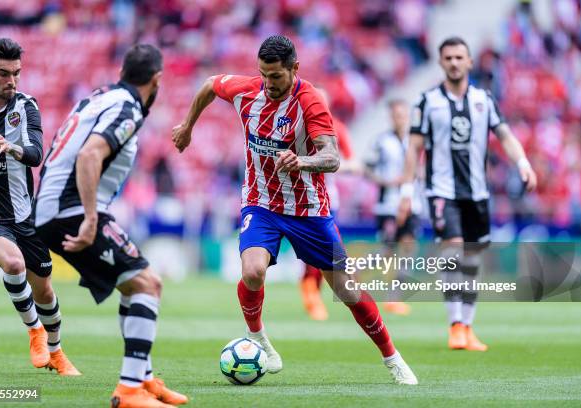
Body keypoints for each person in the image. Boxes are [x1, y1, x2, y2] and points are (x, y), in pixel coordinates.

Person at [172, 35, 418, 385]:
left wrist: (301, 161)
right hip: (260, 203)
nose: (268, 84)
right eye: (263, 75)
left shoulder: (311, 102)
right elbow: (210, 85)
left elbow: (332, 157)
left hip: (308, 210)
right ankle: (257, 338)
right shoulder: (246, 91)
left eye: (276, 76)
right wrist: (187, 126)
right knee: (253, 271)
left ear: (294, 69)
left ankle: (392, 357)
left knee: (346, 290)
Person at [34, 44, 188, 407]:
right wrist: (89, 218)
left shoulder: (101, 97)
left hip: (56, 207)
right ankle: (131, 388)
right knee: (148, 285)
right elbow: (90, 154)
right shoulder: (129, 107)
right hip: (71, 210)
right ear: (157, 80)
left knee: (137, 286)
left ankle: (145, 381)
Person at [397, 37, 537, 351]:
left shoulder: (483, 100)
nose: (454, 63)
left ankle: (468, 326)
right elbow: (414, 149)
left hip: (477, 192)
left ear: (470, 62)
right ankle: (455, 324)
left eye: (460, 57)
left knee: (472, 261)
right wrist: (407, 191)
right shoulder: (428, 101)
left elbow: (505, 135)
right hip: (442, 191)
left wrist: (523, 163)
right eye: (448, 58)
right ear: (441, 62)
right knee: (453, 252)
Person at [0, 38, 79, 376]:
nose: (12, 81)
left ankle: (57, 352)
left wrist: (11, 147)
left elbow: (35, 154)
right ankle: (35, 332)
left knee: (44, 289)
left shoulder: (26, 106)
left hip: (23, 215)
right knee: (13, 262)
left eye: (16, 73)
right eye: (4, 74)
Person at [300, 87, 357, 321]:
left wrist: (328, 163)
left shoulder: (337, 129)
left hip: (326, 199)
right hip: (296, 196)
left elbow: (353, 163)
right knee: (316, 251)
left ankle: (312, 292)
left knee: (328, 250)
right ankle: (310, 290)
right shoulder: (297, 127)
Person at [365, 99, 422, 316]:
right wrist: (387, 181)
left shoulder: (415, 141)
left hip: (411, 203)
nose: (400, 119)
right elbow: (367, 168)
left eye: (403, 114)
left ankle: (394, 297)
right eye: (396, 115)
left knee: (408, 247)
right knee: (388, 251)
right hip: (388, 205)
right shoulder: (381, 142)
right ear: (391, 117)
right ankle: (355, 271)